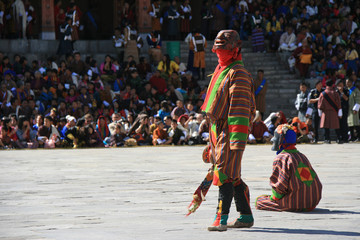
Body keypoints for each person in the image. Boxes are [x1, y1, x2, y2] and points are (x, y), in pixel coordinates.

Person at [201, 30, 256, 231]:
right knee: (232, 175)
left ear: (234, 50)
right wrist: (208, 122)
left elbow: (240, 111)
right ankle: (246, 216)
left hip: (230, 131)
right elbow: (216, 102)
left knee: (224, 173)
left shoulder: (238, 74)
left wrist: (236, 141)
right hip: (218, 130)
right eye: (218, 49)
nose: (219, 53)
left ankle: (220, 219)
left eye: (223, 49)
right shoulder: (221, 70)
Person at [255, 124, 322, 211]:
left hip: (296, 202)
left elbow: (280, 187)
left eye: (276, 136)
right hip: (312, 202)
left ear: (281, 140)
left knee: (259, 201)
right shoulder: (301, 156)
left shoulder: (282, 158)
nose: (273, 139)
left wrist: (272, 199)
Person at [318, 79, 342, 144]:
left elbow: (320, 105)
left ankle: (327, 139)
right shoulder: (335, 92)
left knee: (326, 126)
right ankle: (338, 138)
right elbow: (339, 103)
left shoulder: (323, 94)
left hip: (325, 112)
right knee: (336, 126)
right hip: (334, 111)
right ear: (332, 85)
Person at [335, 79, 349, 143]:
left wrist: (342, 92)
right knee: (338, 124)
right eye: (339, 85)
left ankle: (345, 137)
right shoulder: (335, 92)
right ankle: (339, 137)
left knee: (344, 123)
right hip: (337, 109)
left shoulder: (346, 91)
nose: (340, 86)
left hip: (344, 108)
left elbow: (346, 98)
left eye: (341, 85)